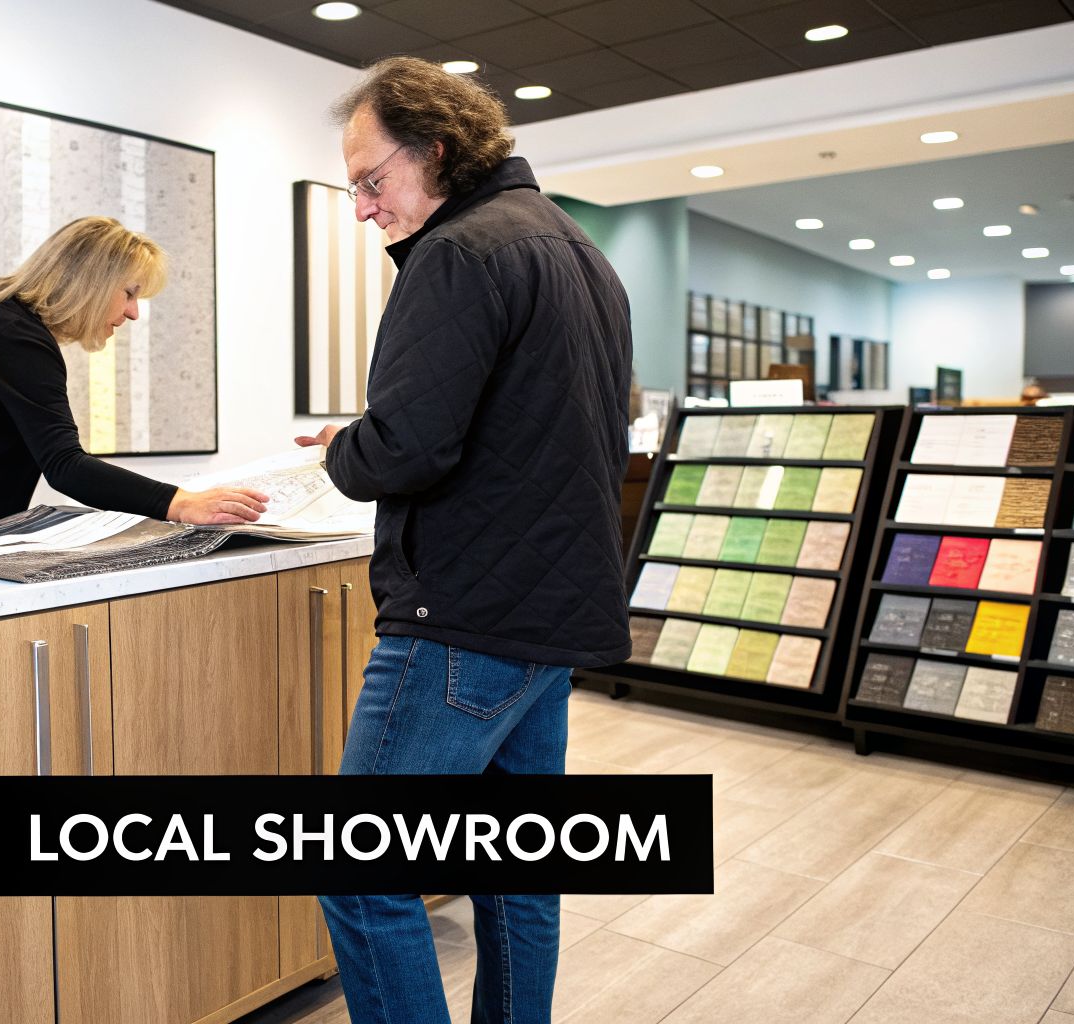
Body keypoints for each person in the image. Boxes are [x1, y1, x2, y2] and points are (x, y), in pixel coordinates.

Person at [297, 57, 634, 1024]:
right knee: (519, 875)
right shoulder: (577, 249)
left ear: (436, 152)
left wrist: (344, 450)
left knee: (361, 875)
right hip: (552, 619)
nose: (363, 209)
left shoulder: (457, 253)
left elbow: (405, 448)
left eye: (372, 181)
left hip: (464, 622)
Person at [0, 216, 265, 547]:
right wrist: (182, 502)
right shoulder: (9, 335)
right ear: (92, 282)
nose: (134, 313)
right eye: (129, 293)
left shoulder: (9, 329)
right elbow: (66, 467)